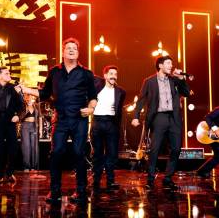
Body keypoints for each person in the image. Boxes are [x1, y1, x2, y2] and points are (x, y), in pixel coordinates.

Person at [19, 37, 97, 203]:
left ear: (78, 52)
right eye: (68, 48)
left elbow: (93, 97)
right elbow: (45, 93)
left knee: (78, 153)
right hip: (60, 119)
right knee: (56, 153)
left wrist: (91, 109)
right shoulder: (54, 72)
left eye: (74, 48)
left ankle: (81, 192)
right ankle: (55, 192)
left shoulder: (86, 74)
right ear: (63, 51)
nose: (71, 50)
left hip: (79, 120)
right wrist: (26, 89)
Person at [131, 55, 190, 190]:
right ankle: (150, 179)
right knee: (155, 149)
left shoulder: (174, 80)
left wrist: (181, 79)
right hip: (158, 117)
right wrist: (136, 116)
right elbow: (141, 100)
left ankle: (168, 178)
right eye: (168, 63)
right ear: (160, 65)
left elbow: (186, 93)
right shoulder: (149, 81)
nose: (171, 66)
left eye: (171, 63)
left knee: (176, 148)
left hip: (174, 118)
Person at [91, 65, 126, 193]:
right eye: (110, 73)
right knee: (97, 153)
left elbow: (119, 111)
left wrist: (117, 127)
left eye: (115, 74)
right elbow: (88, 75)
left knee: (112, 153)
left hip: (111, 123)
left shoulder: (121, 91)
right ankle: (96, 180)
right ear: (105, 76)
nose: (113, 76)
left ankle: (110, 181)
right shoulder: (97, 86)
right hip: (98, 122)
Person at [19, 94, 41, 172]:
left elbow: (40, 117)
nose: (30, 99)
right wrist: (26, 108)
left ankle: (34, 167)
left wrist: (40, 130)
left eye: (31, 98)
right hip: (25, 126)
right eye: (28, 98)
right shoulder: (23, 106)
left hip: (34, 126)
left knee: (34, 146)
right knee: (26, 146)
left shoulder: (36, 106)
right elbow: (20, 117)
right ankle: (26, 166)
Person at [196, 107, 219, 178]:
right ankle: (202, 171)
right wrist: (215, 129)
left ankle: (202, 171)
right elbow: (207, 117)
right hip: (211, 133)